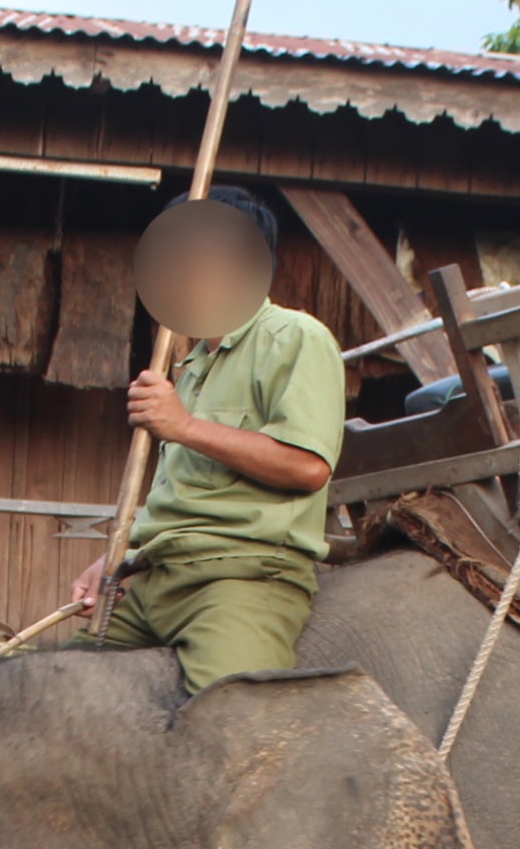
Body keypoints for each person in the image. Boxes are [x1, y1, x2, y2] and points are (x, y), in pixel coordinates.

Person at [70, 186, 347, 693]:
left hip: (239, 578)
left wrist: (184, 427)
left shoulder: (293, 337)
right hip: (159, 578)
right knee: (57, 692)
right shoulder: (190, 365)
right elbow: (177, 494)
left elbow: (309, 467)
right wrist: (116, 558)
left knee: (230, 733)